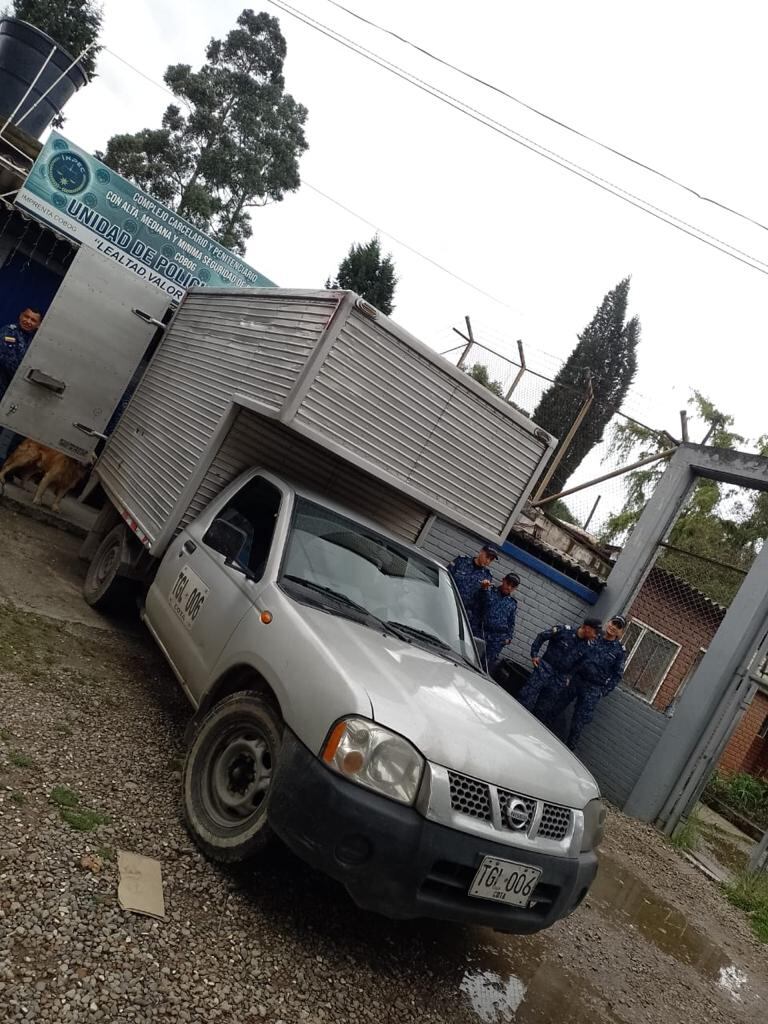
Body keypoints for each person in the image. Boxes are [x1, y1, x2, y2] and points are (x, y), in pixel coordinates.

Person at [545, 615, 627, 750]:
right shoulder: (594, 636)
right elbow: (577, 654)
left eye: (618, 627)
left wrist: (603, 692)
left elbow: (617, 675)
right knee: (556, 706)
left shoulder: (619, 651)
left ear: (621, 632)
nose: (614, 627)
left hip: (593, 689)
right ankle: (541, 731)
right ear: (608, 623)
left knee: (578, 722)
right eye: (613, 623)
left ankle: (569, 750)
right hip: (576, 679)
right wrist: (569, 674)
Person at [518, 617, 602, 718]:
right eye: (595, 632)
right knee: (526, 697)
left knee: (542, 709)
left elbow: (579, 663)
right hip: (545, 669)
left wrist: (569, 676)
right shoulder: (564, 630)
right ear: (587, 628)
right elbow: (542, 636)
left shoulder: (588, 646)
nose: (596, 636)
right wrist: (534, 654)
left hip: (559, 679)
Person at [0, 307, 42, 463]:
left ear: (38, 324)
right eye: (26, 317)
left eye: (33, 320)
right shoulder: (10, 332)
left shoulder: (35, 341)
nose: (28, 321)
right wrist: (28, 377)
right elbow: (7, 360)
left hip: (14, 394)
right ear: (20, 316)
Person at [448, 544, 498, 635]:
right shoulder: (461, 561)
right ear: (481, 552)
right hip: (447, 604)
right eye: (487, 557)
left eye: (491, 560)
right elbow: (445, 577)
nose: (487, 561)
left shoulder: (487, 576)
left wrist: (484, 589)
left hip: (462, 615)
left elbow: (485, 603)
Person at [478, 572, 520, 670]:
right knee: (472, 658)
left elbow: (511, 622)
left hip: (497, 639)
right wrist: (484, 589)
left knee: (485, 666)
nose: (509, 587)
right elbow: (480, 603)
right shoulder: (489, 591)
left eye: (512, 586)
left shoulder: (512, 603)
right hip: (482, 632)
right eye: (508, 583)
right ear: (503, 580)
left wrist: (508, 637)